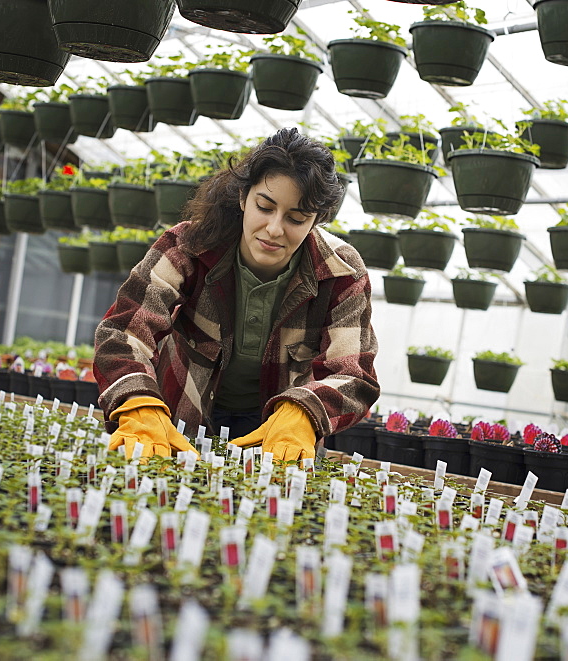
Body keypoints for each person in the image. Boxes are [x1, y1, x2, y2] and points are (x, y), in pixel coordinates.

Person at [94, 128, 380, 464]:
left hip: (280, 438)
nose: (275, 229)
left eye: (296, 218)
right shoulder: (189, 245)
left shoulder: (341, 272)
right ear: (243, 197)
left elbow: (352, 370)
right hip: (179, 422)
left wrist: (304, 413)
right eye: (264, 206)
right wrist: (137, 403)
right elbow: (126, 330)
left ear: (315, 221)